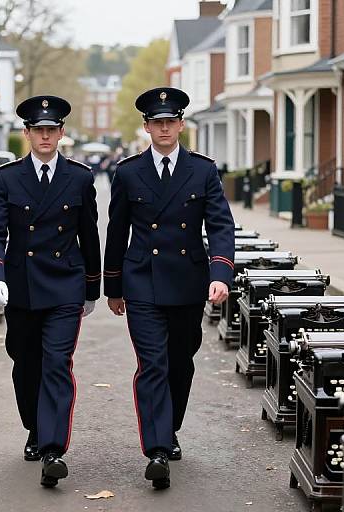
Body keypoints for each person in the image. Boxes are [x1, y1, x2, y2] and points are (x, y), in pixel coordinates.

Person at [103, 87, 235, 489]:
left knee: (180, 362)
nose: (163, 127)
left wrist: (220, 273)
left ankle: (170, 427)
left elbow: (220, 225)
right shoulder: (127, 172)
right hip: (142, 280)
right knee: (153, 364)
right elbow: (117, 230)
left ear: (181, 124)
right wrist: (113, 287)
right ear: (146, 126)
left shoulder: (203, 170)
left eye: (170, 121)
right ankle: (157, 448)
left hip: (187, 281)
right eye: (156, 122)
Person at [0, 95, 101, 487]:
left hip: (65, 283)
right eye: (38, 130)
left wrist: (92, 288)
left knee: (56, 364)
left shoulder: (80, 177)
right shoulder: (8, 177)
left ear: (61, 133)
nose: (45, 136)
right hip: (22, 286)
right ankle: (35, 426)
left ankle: (52, 448)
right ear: (27, 133)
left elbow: (89, 234)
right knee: (25, 363)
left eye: (52, 130)